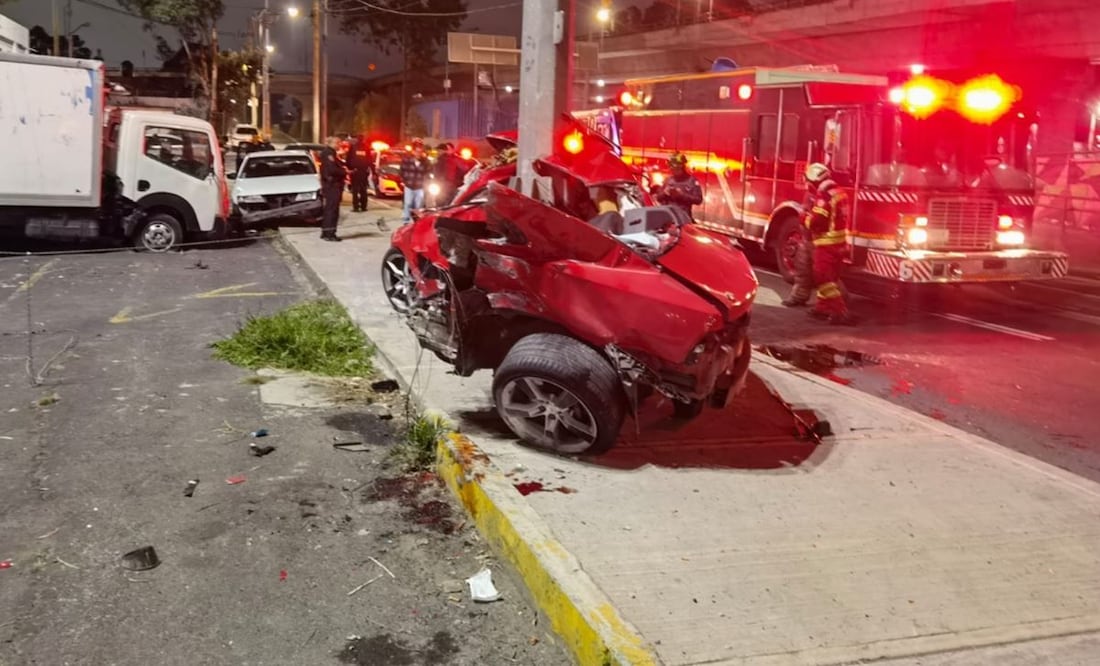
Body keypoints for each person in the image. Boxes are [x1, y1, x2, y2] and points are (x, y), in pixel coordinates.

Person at [802, 162, 855, 325]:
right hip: (839, 243)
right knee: (830, 275)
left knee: (823, 277)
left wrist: (804, 218)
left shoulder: (824, 196)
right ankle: (822, 308)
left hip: (826, 243)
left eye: (809, 181)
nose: (809, 185)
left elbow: (817, 221)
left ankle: (840, 312)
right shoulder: (840, 192)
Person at [781, 190, 817, 307]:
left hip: (820, 241)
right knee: (802, 269)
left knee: (826, 274)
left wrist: (806, 220)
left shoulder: (827, 195)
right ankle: (798, 297)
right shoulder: (811, 193)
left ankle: (840, 304)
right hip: (807, 238)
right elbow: (806, 211)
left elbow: (820, 219)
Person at [654, 152, 703, 218]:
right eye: (672, 169)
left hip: (684, 218)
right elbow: (658, 198)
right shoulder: (668, 180)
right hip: (668, 217)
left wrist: (682, 195)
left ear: (682, 167)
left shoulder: (692, 181)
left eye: (676, 169)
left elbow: (698, 200)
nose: (673, 171)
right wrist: (664, 193)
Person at [319, 136, 347, 242]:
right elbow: (332, 169)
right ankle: (330, 233)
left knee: (329, 209)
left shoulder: (331, 153)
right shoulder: (328, 153)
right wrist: (344, 172)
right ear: (331, 143)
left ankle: (325, 232)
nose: (339, 145)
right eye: (337, 143)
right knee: (332, 210)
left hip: (331, 185)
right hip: (332, 185)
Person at [399, 138, 430, 224]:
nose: (418, 153)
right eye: (416, 151)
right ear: (413, 151)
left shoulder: (425, 161)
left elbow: (428, 173)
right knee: (408, 203)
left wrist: (426, 182)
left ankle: (417, 222)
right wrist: (405, 180)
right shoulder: (407, 159)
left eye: (420, 151)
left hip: (420, 187)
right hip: (409, 185)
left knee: (418, 206)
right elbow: (402, 171)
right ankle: (406, 220)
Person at [432, 142, 470, 207]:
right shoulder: (439, 159)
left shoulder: (455, 159)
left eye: (448, 149)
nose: (438, 152)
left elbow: (465, 169)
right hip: (442, 186)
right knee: (442, 204)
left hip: (448, 186)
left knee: (445, 205)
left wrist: (458, 182)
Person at [346, 135, 373, 213]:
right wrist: (370, 169)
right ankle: (364, 206)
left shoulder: (353, 147)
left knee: (355, 190)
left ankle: (356, 207)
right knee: (363, 189)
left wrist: (349, 169)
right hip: (364, 172)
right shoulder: (366, 147)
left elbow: (348, 158)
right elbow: (370, 160)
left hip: (355, 171)